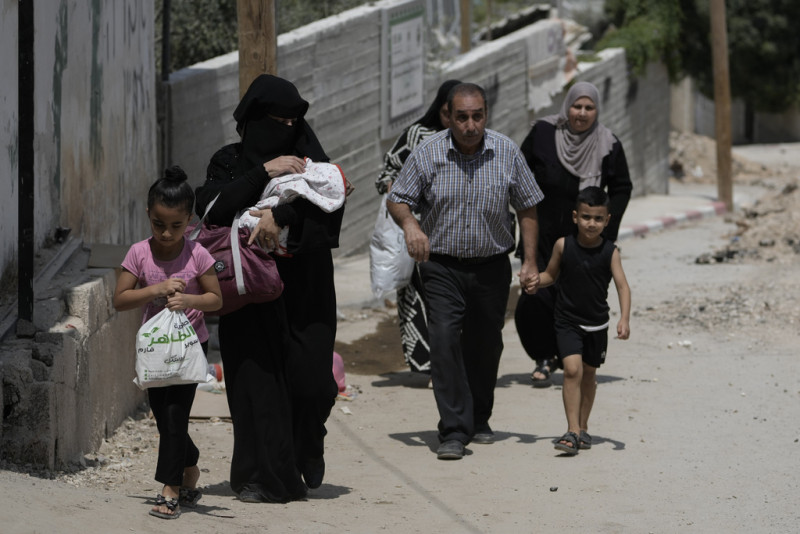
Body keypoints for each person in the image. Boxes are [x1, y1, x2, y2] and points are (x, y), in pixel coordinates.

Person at [195, 74, 347, 502]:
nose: (284, 129)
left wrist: (282, 214)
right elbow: (210, 207)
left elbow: (329, 213)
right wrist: (264, 171)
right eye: (274, 120)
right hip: (247, 289)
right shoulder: (228, 160)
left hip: (306, 287)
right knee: (256, 386)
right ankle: (263, 477)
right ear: (252, 121)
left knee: (314, 382)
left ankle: (307, 442)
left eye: (291, 121)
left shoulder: (312, 165)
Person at [387, 82, 544, 460]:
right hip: (442, 266)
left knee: (485, 344)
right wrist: (411, 226)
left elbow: (527, 208)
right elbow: (398, 199)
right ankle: (454, 430)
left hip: (491, 266)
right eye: (462, 117)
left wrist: (530, 262)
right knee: (442, 341)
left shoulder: (506, 151)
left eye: (477, 116)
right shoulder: (429, 152)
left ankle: (479, 416)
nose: (470, 125)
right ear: (449, 117)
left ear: (485, 115)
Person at [113, 166, 223, 519]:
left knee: (175, 415)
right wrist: (156, 290)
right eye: (159, 224)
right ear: (148, 214)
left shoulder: (197, 255)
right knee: (164, 419)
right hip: (154, 352)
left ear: (189, 220)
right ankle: (190, 467)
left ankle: (170, 488)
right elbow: (121, 299)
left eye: (176, 226)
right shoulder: (139, 253)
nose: (166, 232)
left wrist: (189, 300)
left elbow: (216, 300)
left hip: (191, 349)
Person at [514, 81, 632, 388]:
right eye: (577, 106)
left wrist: (606, 226)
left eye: (589, 107)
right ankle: (543, 355)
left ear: (596, 111)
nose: (581, 113)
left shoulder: (608, 144)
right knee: (534, 297)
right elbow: (519, 171)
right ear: (567, 106)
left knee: (571, 298)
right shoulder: (542, 133)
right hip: (540, 231)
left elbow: (621, 187)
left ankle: (569, 355)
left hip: (582, 239)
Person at [374, 79, 461, 374]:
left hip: (460, 236)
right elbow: (387, 171)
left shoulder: (476, 139)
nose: (455, 120)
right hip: (417, 233)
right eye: (450, 113)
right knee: (423, 301)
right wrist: (394, 188)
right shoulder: (417, 135)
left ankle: (455, 364)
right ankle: (434, 365)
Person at [536, 186, 631, 455]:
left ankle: (584, 427)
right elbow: (550, 276)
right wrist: (534, 281)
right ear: (575, 216)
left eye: (598, 218)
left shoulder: (611, 251)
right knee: (572, 371)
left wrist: (624, 319)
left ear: (607, 220)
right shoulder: (563, 246)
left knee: (589, 375)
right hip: (567, 321)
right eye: (587, 217)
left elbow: (623, 287)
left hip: (597, 324)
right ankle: (572, 431)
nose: (592, 223)